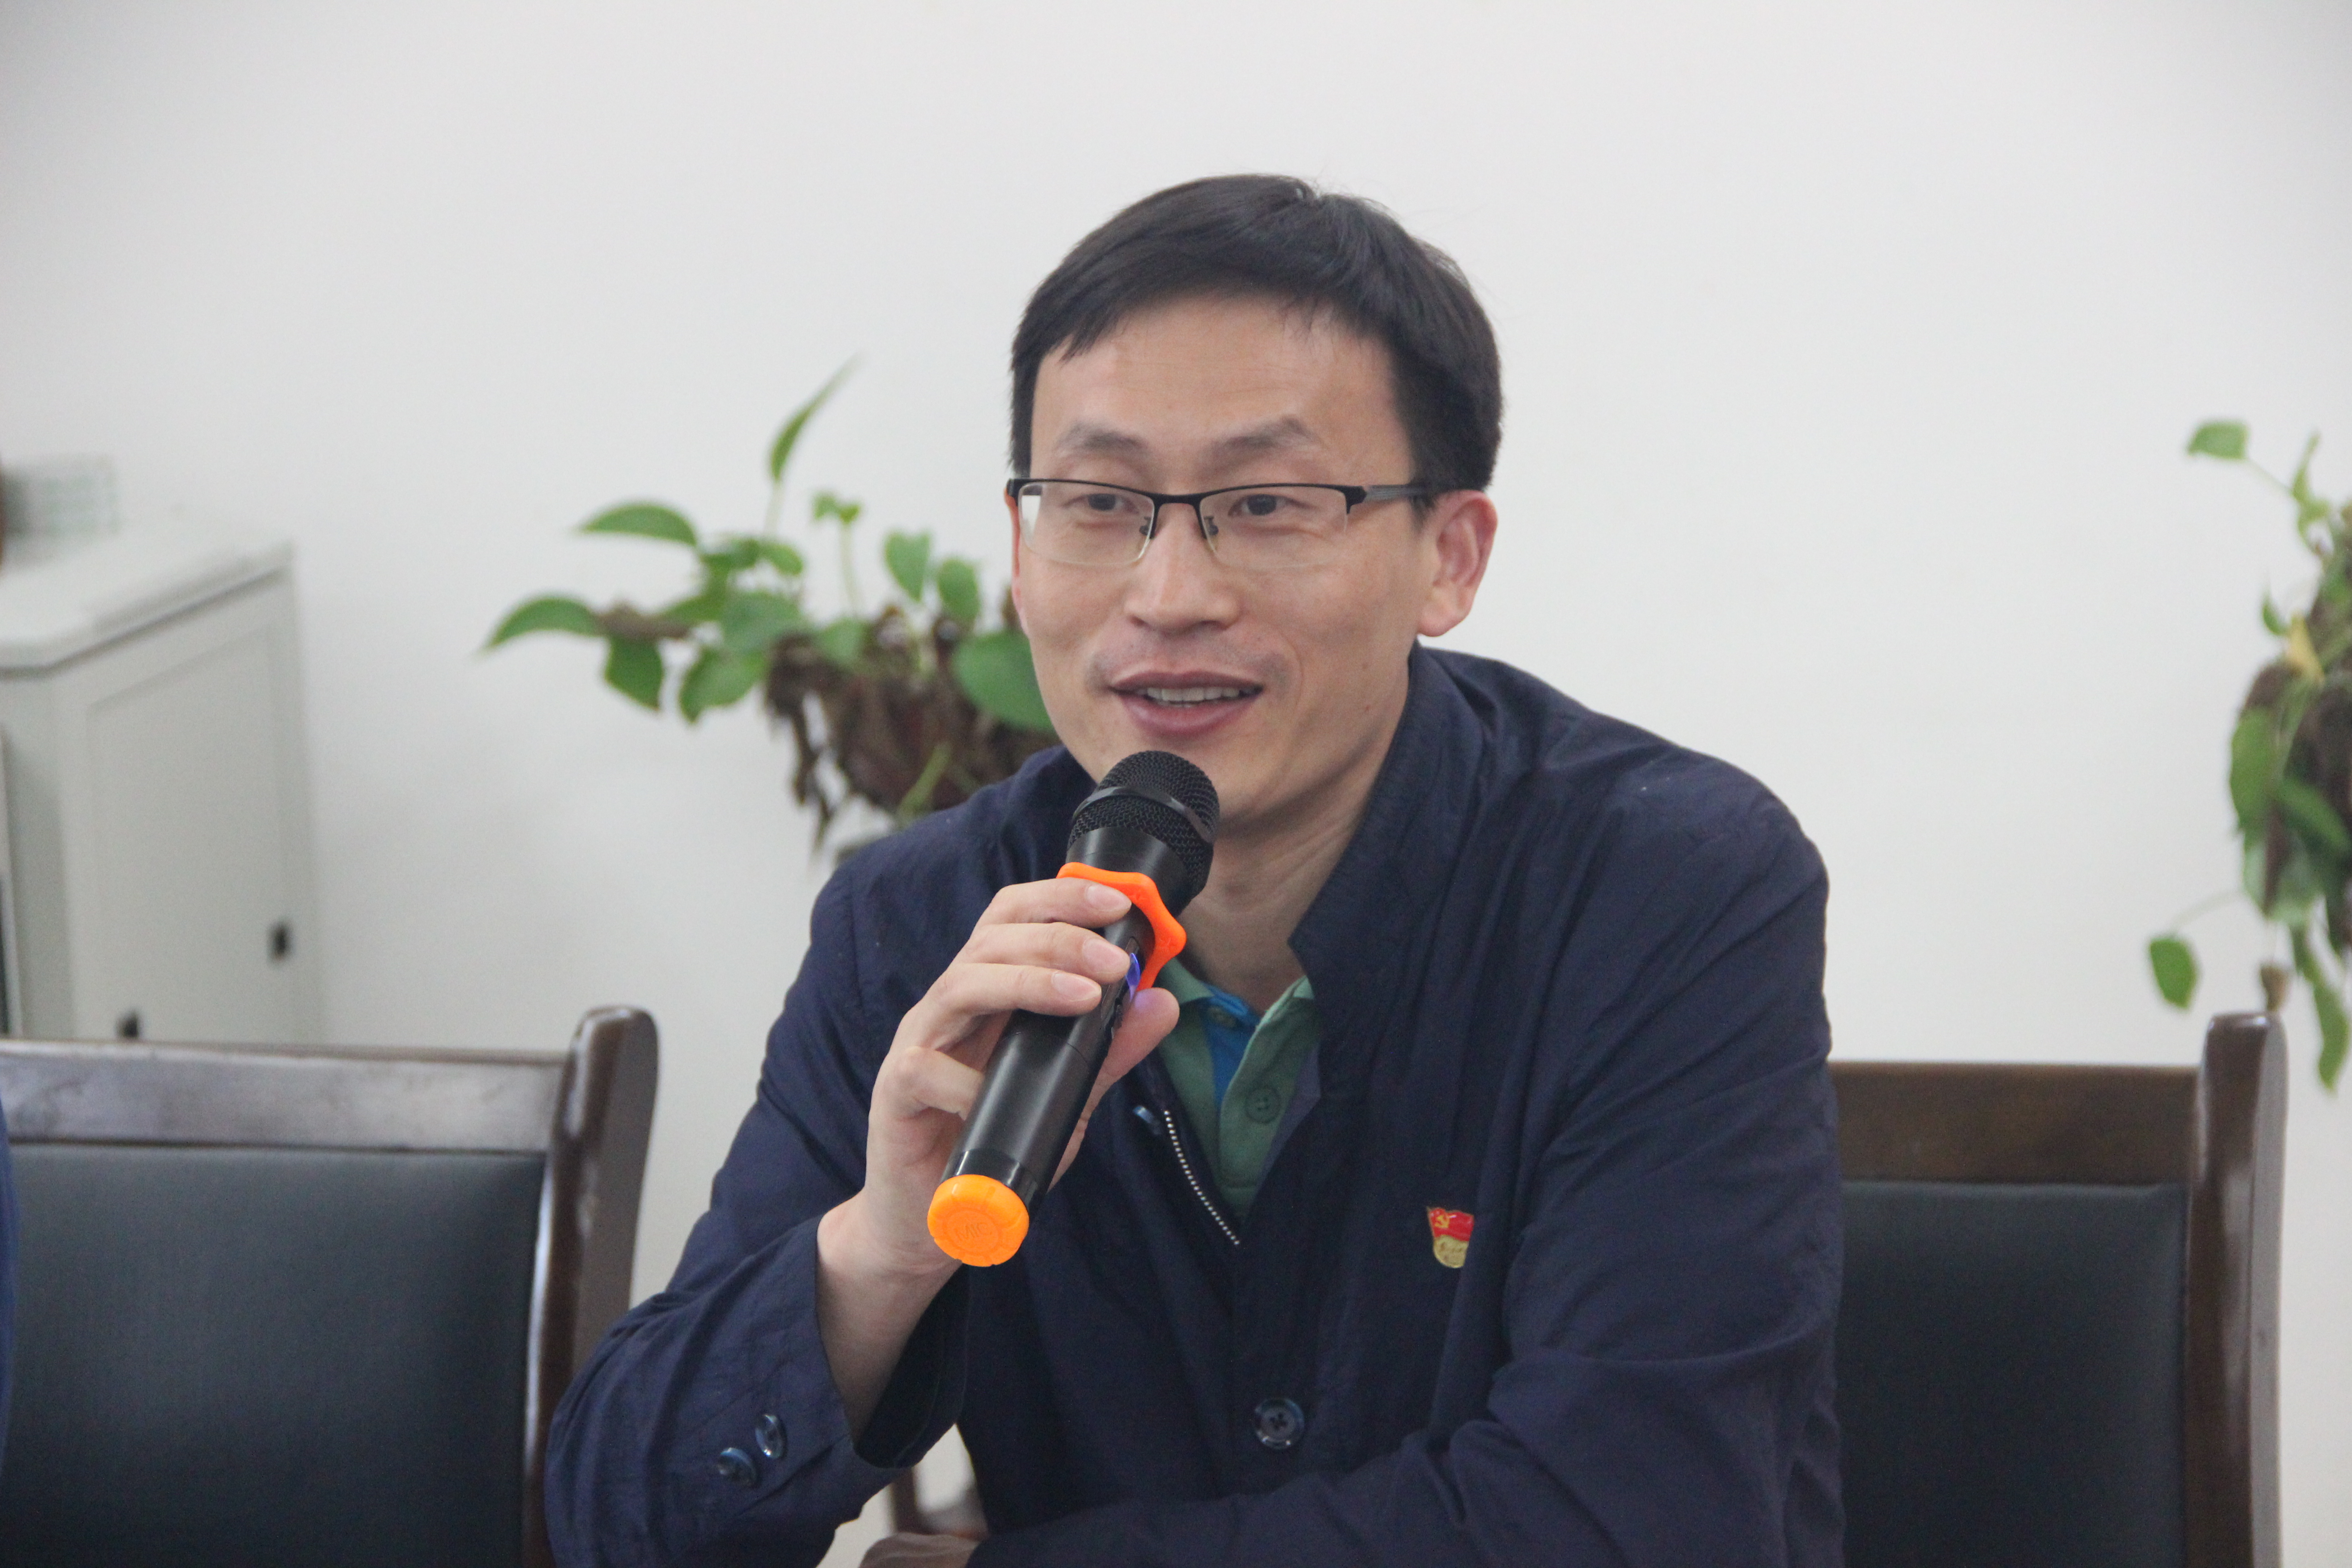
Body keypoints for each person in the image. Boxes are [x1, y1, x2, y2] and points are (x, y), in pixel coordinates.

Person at [547, 174, 1842, 1567]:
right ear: (1021, 549)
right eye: (1100, 503)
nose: (1169, 596)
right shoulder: (923, 922)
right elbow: (620, 1523)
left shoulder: (1664, 891)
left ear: (1450, 557)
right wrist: (879, 1251)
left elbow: (1636, 1521)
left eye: (1269, 503)